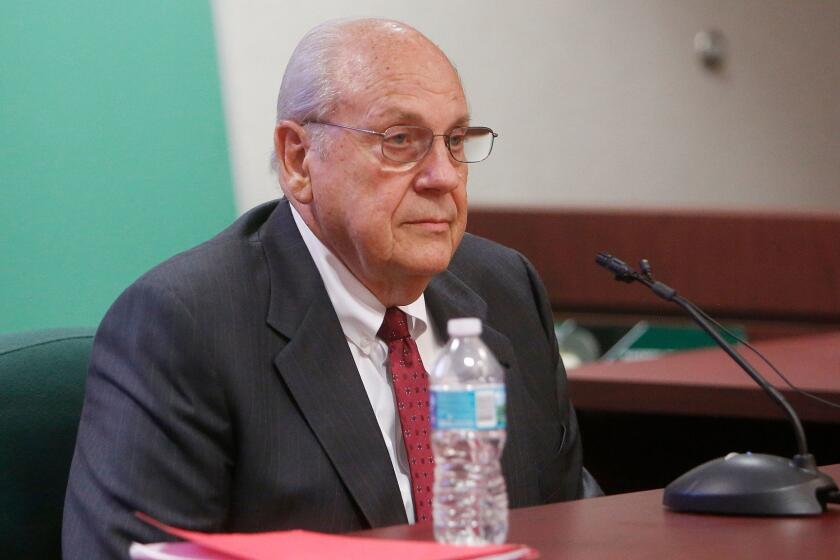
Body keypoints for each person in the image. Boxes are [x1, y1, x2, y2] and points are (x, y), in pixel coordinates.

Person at [63, 18, 598, 559]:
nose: (444, 176)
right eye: (399, 140)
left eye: (456, 140)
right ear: (299, 159)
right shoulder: (186, 322)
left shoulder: (506, 289)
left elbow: (568, 518)